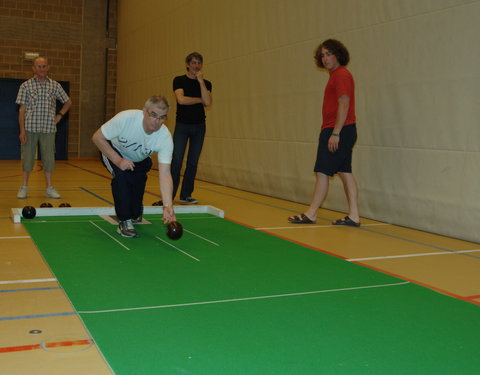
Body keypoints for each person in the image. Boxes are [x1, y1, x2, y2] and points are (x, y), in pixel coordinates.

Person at [288, 39, 360, 227]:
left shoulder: (341, 75)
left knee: (322, 171)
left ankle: (311, 213)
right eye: (323, 55)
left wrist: (335, 133)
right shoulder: (335, 75)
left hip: (338, 129)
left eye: (329, 53)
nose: (325, 58)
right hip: (343, 129)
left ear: (338, 54)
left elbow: (344, 103)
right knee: (345, 172)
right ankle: (354, 215)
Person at [92, 95, 176, 238]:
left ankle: (134, 212)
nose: (157, 121)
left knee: (135, 210)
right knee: (121, 178)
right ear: (144, 111)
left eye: (162, 117)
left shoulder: (164, 137)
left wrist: (168, 205)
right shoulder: (126, 118)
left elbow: (165, 174)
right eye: (153, 115)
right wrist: (118, 160)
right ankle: (124, 221)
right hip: (114, 152)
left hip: (139, 159)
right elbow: (97, 137)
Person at [16, 56, 72, 199]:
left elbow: (68, 102)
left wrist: (59, 116)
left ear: (48, 68)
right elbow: (22, 110)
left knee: (48, 159)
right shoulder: (26, 86)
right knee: (27, 159)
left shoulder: (55, 86)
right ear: (33, 68)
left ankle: (49, 188)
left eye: (44, 66)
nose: (42, 69)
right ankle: (24, 187)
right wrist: (22, 130)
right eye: (39, 66)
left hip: (48, 129)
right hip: (29, 128)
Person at [170, 52, 212, 204]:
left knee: (193, 162)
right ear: (187, 64)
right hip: (182, 126)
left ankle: (186, 194)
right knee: (176, 160)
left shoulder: (206, 83)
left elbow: (207, 103)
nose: (196, 66)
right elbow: (181, 100)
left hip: (199, 127)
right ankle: (169, 195)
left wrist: (201, 82)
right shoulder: (179, 80)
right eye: (193, 63)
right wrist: (200, 99)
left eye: (199, 63)